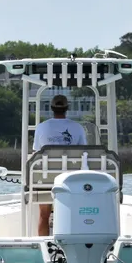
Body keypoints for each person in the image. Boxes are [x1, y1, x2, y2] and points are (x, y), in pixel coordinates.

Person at [33, 94, 87, 236]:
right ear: (67, 108)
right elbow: (84, 152)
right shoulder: (77, 127)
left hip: (45, 180)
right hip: (71, 181)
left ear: (51, 108)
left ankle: (44, 244)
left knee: (44, 215)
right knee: (73, 214)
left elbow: (36, 152)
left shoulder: (41, 127)